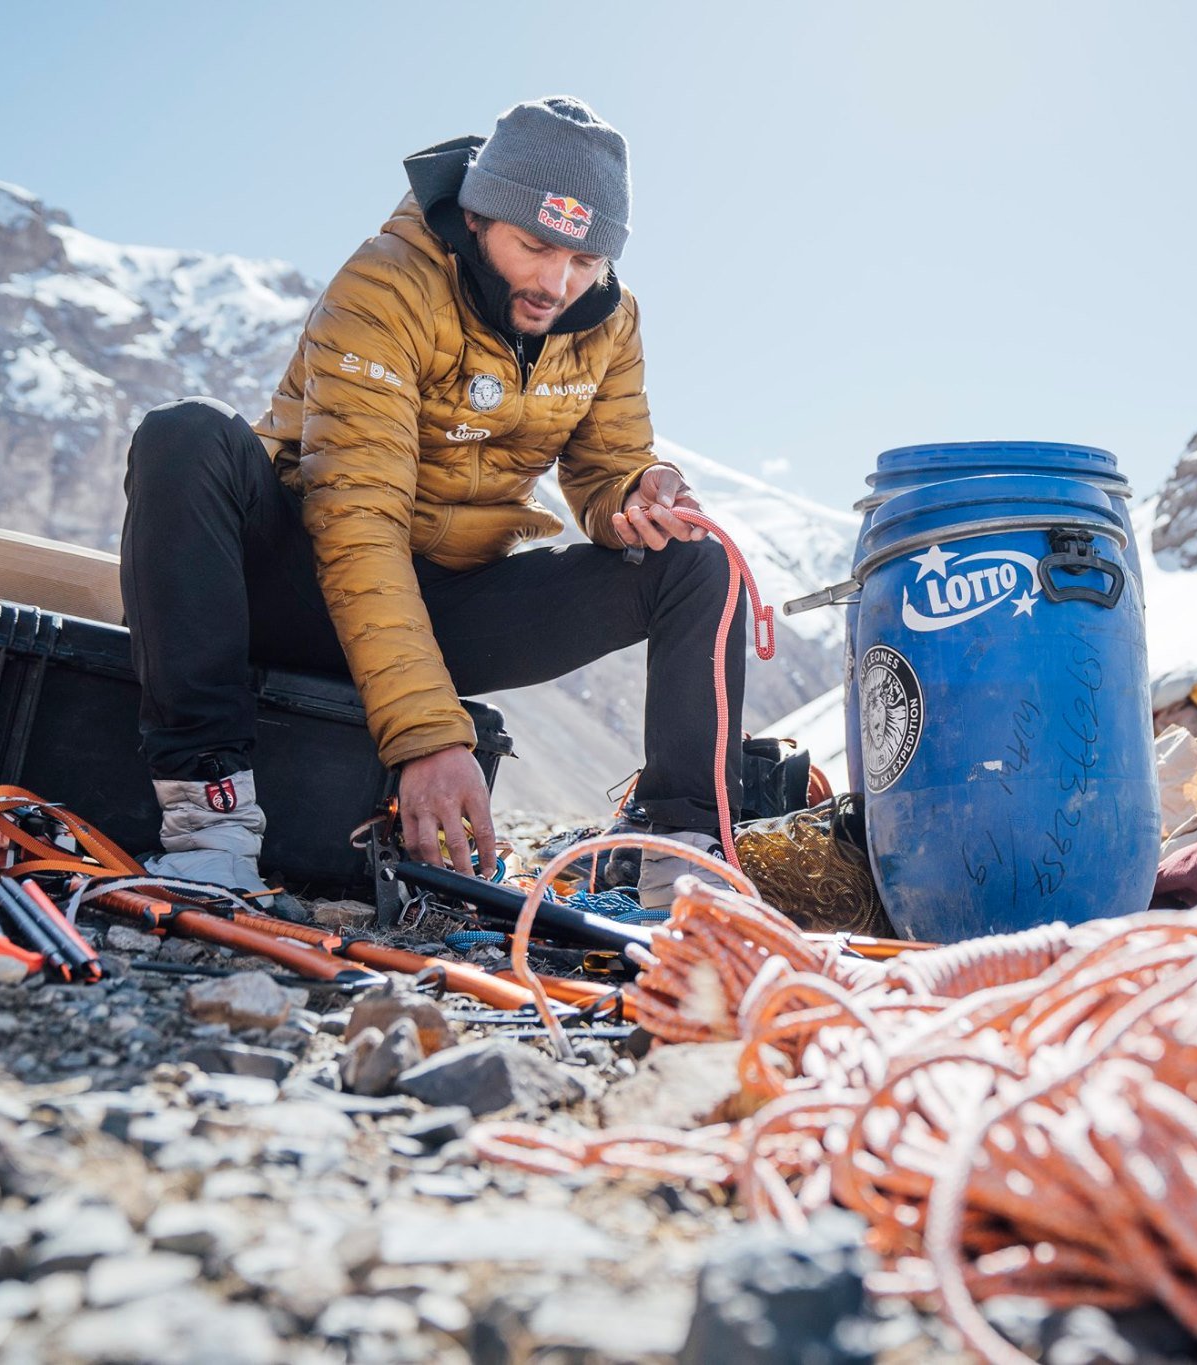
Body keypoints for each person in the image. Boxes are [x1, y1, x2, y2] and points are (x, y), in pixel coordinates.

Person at [117, 96, 743, 909]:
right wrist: (428, 736)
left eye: (585, 260)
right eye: (535, 246)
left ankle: (683, 871)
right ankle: (210, 824)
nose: (557, 284)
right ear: (478, 216)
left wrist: (636, 491)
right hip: (299, 584)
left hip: (452, 606)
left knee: (697, 562)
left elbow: (605, 465)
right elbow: (357, 518)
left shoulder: (608, 322)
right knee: (185, 436)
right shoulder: (388, 282)